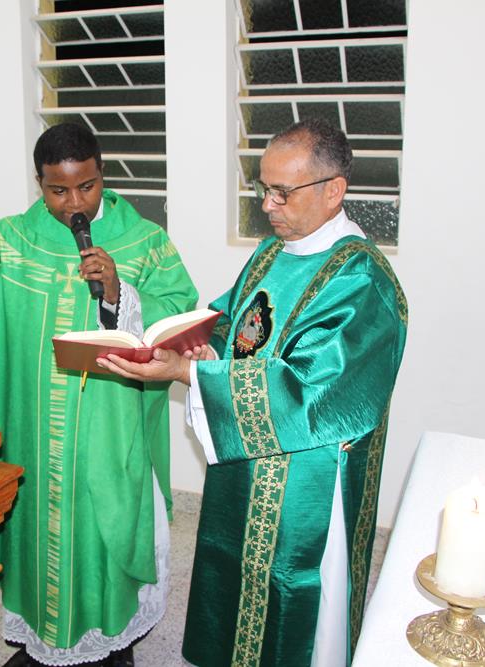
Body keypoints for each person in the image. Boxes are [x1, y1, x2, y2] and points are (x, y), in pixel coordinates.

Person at [0, 123, 198, 666]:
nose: (74, 203)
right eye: (58, 190)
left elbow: (177, 313)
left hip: (109, 425)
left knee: (106, 527)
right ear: (40, 184)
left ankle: (112, 638)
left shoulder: (145, 241)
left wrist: (120, 293)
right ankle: (44, 641)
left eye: (87, 186)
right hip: (31, 426)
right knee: (34, 529)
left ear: (102, 175)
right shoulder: (7, 242)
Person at [97, 117, 407, 666]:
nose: (268, 205)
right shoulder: (271, 253)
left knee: (295, 596)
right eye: (264, 188)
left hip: (308, 482)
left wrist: (188, 375)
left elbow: (311, 392)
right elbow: (233, 323)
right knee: (231, 567)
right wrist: (190, 347)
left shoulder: (362, 281)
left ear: (334, 190)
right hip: (244, 463)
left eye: (283, 192)